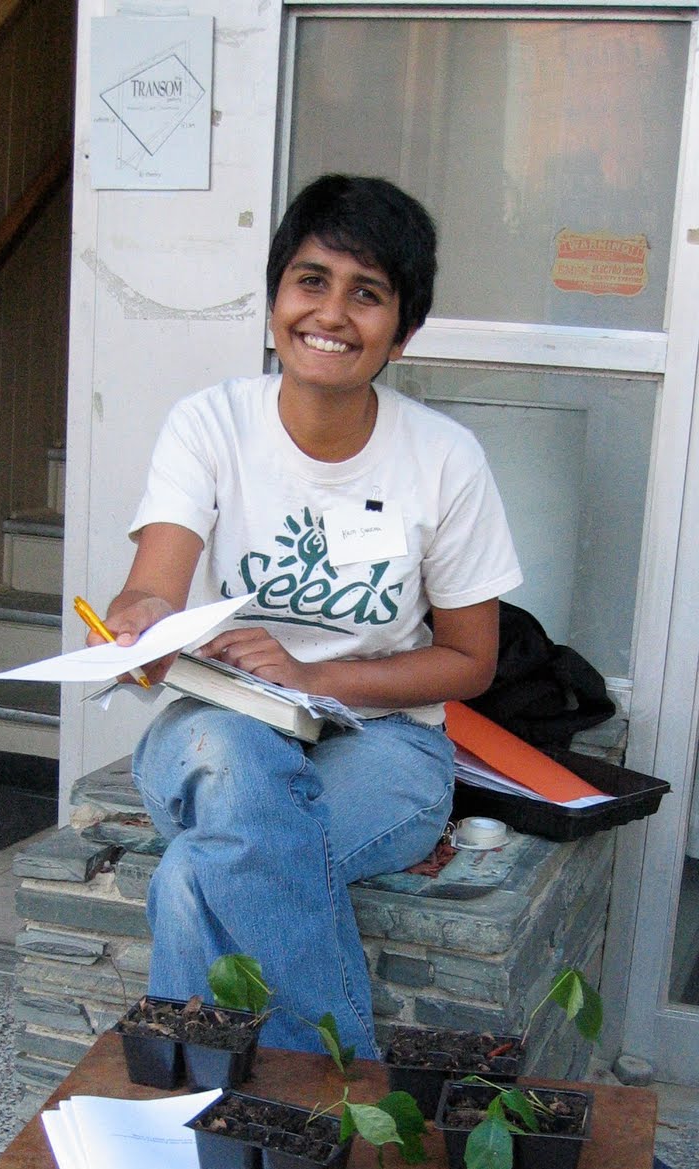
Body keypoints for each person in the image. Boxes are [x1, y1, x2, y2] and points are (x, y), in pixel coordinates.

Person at [97, 174, 522, 1057]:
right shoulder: (210, 425)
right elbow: (154, 586)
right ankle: (334, 1094)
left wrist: (314, 676)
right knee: (237, 760)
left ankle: (200, 1099)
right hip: (217, 734)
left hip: (386, 745)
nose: (330, 313)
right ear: (274, 301)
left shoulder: (444, 458)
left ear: (403, 331)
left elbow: (471, 660)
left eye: (367, 294)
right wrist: (140, 621)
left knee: (195, 874)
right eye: (311, 281)